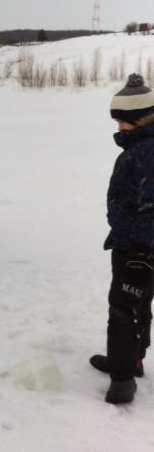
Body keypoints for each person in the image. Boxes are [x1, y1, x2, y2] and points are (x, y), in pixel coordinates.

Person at [89, 73, 154, 405]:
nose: (118, 127)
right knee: (139, 303)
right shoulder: (141, 147)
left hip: (138, 246)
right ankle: (130, 360)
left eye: (122, 121)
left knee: (122, 308)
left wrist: (142, 249)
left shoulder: (147, 152)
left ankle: (122, 380)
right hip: (134, 241)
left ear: (139, 119)